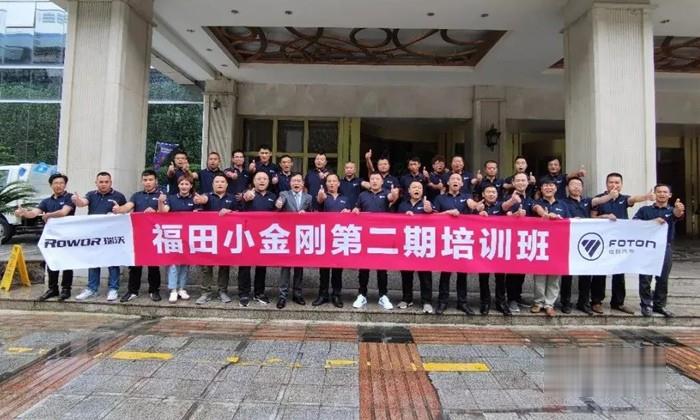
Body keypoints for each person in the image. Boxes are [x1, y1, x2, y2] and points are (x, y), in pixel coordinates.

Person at [590, 172, 655, 314]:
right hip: (602, 241)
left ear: (621, 184)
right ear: (606, 184)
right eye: (611, 182)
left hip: (619, 241)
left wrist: (646, 197)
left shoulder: (623, 199)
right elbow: (591, 218)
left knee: (619, 272)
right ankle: (596, 301)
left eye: (617, 182)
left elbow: (633, 199)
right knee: (600, 271)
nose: (614, 185)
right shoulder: (599, 199)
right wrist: (604, 217)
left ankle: (618, 303)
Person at [14, 173, 75, 301]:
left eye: (61, 183)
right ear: (51, 185)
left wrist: (48, 215)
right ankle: (52, 289)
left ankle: (66, 289)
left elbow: (63, 212)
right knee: (51, 262)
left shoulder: (70, 198)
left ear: (65, 185)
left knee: (66, 263)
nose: (59, 185)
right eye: (56, 183)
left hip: (67, 236)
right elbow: (34, 213)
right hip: (51, 238)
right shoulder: (46, 201)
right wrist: (23, 212)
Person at [561, 177, 616, 315]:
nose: (576, 187)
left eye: (579, 185)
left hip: (584, 242)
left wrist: (610, 196)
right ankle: (565, 302)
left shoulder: (587, 201)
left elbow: (599, 200)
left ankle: (583, 302)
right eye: (573, 184)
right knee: (567, 275)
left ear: (582, 187)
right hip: (568, 241)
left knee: (585, 274)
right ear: (567, 187)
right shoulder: (562, 202)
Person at [432, 173, 482, 315]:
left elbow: (473, 205)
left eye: (458, 179)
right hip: (446, 239)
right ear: (448, 182)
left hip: (462, 239)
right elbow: (433, 216)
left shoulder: (466, 197)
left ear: (462, 184)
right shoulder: (440, 198)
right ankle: (442, 301)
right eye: (453, 179)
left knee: (462, 273)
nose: (455, 181)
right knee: (445, 273)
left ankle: (462, 302)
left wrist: (477, 206)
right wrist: (447, 213)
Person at [72, 172, 127, 301]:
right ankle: (92, 288)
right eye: (101, 182)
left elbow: (126, 211)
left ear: (110, 182)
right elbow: (82, 203)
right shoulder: (91, 194)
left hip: (112, 235)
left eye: (106, 182)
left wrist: (119, 210)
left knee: (113, 262)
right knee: (93, 261)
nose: (103, 184)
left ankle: (113, 289)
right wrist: (77, 200)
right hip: (94, 235)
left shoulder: (119, 196)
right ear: (96, 183)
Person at [113, 169, 165, 302]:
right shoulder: (136, 195)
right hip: (138, 234)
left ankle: (154, 290)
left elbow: (165, 212)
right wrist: (119, 209)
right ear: (142, 181)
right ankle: (132, 291)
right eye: (145, 180)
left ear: (156, 181)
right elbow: (127, 207)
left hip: (155, 235)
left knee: (153, 265)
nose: (148, 182)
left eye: (150, 180)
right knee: (135, 264)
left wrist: (156, 210)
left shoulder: (162, 196)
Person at [634, 184, 685, 318]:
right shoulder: (644, 210)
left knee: (662, 278)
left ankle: (660, 305)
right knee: (645, 278)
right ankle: (646, 304)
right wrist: (651, 222)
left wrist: (678, 210)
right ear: (655, 194)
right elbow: (634, 224)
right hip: (647, 247)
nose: (662, 194)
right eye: (659, 192)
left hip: (665, 248)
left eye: (665, 192)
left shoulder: (672, 210)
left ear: (670, 195)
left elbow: (677, 215)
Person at [352, 172, 400, 310]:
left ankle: (383, 295)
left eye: (377, 179)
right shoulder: (362, 195)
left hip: (382, 235)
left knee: (382, 268)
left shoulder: (386, 193)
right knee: (364, 267)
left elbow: (392, 198)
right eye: (372, 179)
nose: (374, 181)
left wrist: (394, 195)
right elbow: (357, 208)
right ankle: (362, 294)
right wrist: (355, 209)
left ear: (382, 181)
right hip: (366, 236)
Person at [193, 173, 238, 304]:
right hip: (208, 236)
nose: (219, 184)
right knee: (206, 266)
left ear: (227, 184)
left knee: (224, 266)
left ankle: (222, 291)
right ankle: (205, 292)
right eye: (217, 182)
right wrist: (199, 201)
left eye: (222, 182)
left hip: (226, 236)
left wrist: (230, 212)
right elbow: (200, 204)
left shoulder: (232, 198)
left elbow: (240, 213)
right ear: (212, 184)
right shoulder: (206, 196)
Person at [531, 177, 571, 317]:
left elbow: (568, 221)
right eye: (545, 186)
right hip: (540, 243)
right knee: (539, 276)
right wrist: (545, 214)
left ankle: (549, 304)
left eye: (551, 185)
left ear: (556, 188)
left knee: (554, 276)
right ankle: (538, 302)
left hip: (558, 244)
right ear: (541, 189)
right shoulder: (537, 203)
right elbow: (536, 209)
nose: (548, 188)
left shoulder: (563, 204)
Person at [239, 171, 278, 306]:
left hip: (264, 236)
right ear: (253, 181)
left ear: (268, 181)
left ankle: (259, 293)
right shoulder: (248, 193)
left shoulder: (272, 196)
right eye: (259, 178)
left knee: (261, 266)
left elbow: (277, 214)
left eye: (264, 179)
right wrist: (246, 197)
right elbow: (242, 203)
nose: (262, 181)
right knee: (245, 265)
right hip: (247, 235)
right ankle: (244, 293)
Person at [501, 172, 538, 313]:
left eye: (524, 180)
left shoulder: (530, 199)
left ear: (528, 183)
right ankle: (511, 299)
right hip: (510, 239)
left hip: (525, 239)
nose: (521, 183)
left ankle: (517, 296)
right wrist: (514, 214)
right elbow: (503, 211)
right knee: (511, 271)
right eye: (518, 180)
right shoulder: (507, 197)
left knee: (521, 270)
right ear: (513, 183)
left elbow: (536, 210)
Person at [158, 175, 198, 303]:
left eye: (187, 184)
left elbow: (198, 216)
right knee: (173, 263)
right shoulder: (171, 198)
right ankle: (173, 289)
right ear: (178, 185)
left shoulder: (195, 199)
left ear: (191, 186)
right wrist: (160, 202)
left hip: (188, 236)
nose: (184, 186)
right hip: (173, 236)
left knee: (185, 264)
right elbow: (163, 212)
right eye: (182, 184)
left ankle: (181, 288)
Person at [275, 173, 312, 308]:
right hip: (287, 235)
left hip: (301, 236)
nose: (296, 183)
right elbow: (279, 204)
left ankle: (297, 294)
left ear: (303, 183)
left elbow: (313, 215)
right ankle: (282, 296)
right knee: (285, 267)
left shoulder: (308, 197)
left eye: (299, 181)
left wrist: (307, 214)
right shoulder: (284, 194)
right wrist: (279, 204)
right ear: (290, 183)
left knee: (299, 266)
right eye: (294, 181)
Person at [397, 180, 434, 314]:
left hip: (423, 244)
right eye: (414, 187)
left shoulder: (427, 204)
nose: (416, 189)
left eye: (419, 187)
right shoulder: (402, 205)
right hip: (407, 244)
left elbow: (436, 218)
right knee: (406, 274)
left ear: (422, 191)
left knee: (425, 275)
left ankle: (427, 301)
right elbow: (395, 223)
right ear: (409, 190)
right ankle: (407, 299)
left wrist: (429, 211)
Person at [314, 173, 350, 308]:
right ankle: (323, 294)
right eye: (329, 181)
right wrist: (320, 199)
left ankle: (336, 294)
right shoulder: (322, 196)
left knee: (337, 269)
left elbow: (352, 216)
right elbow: (316, 210)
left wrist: (348, 213)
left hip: (339, 237)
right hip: (325, 237)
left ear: (338, 183)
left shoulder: (345, 198)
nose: (332, 183)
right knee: (323, 269)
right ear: (326, 184)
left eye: (334, 181)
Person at [474, 183, 506, 316]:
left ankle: (501, 302)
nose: (491, 194)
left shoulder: (502, 206)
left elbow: (509, 212)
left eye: (494, 192)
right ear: (483, 194)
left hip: (499, 246)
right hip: (482, 247)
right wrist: (477, 213)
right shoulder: (477, 207)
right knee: (483, 277)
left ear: (497, 194)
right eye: (488, 192)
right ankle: (485, 302)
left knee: (500, 277)